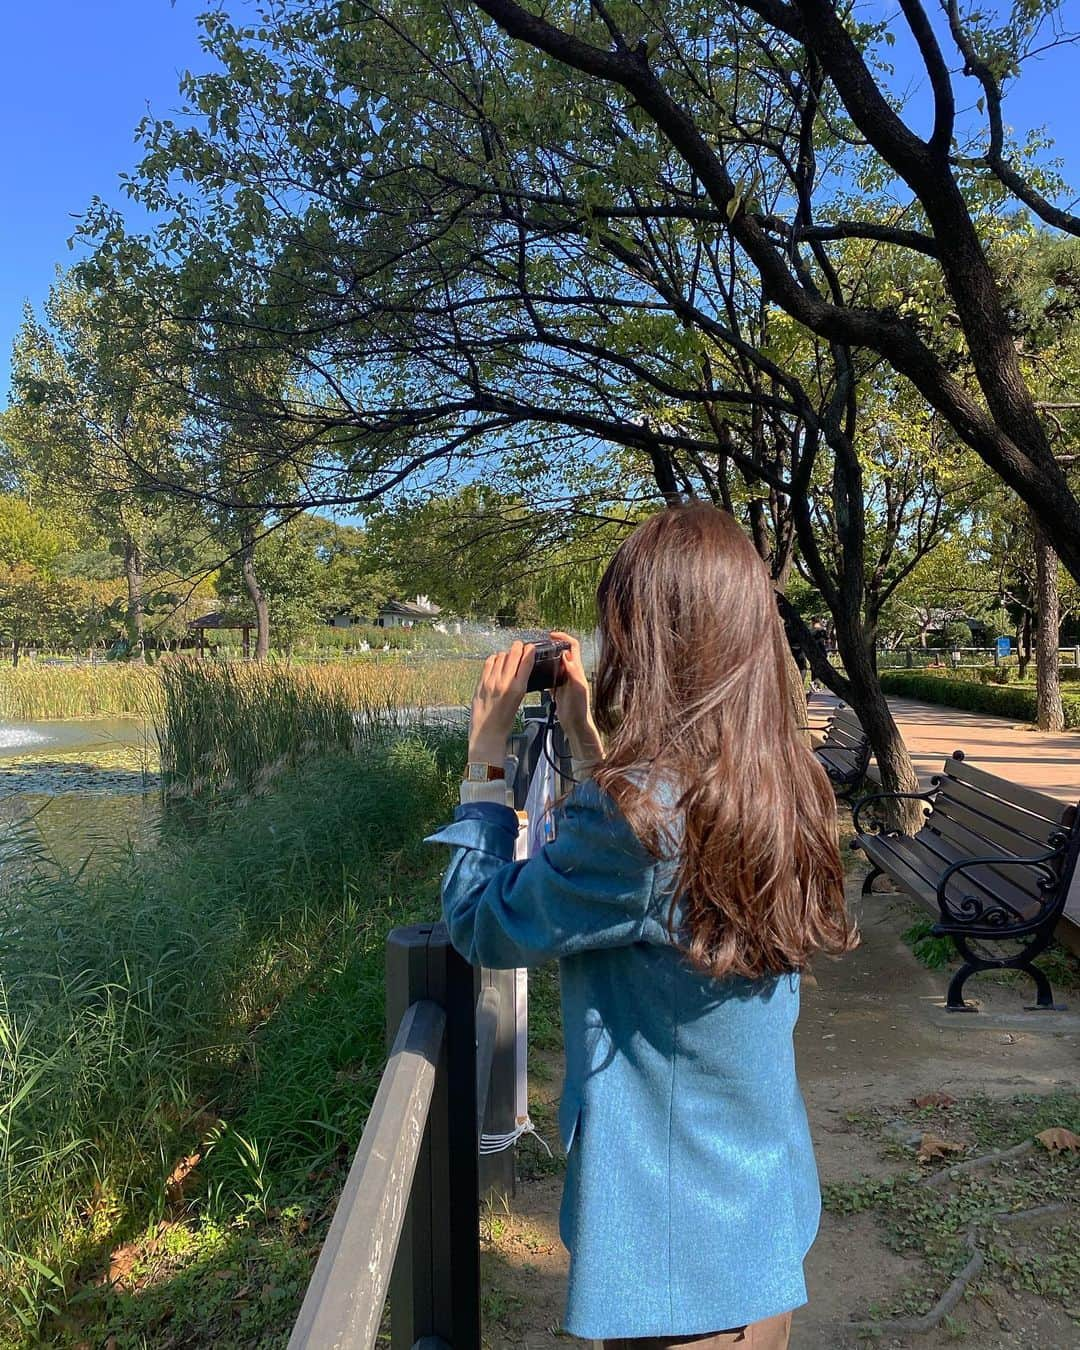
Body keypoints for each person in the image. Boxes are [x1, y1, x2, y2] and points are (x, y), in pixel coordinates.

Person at [426, 504, 856, 1349]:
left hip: (675, 1256)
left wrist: (485, 755)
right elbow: (643, 876)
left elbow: (482, 923)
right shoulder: (783, 783)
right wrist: (587, 732)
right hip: (758, 1217)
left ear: (648, 640)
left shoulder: (640, 824)